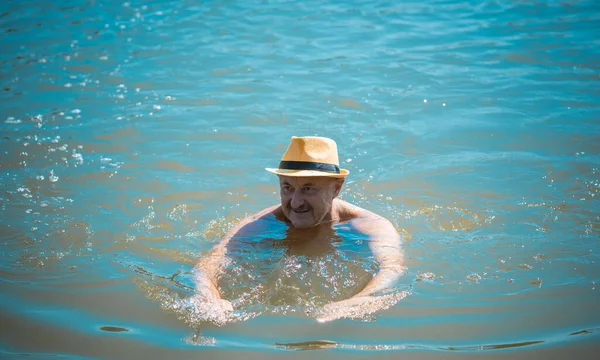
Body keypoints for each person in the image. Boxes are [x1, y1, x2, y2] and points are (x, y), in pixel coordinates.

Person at [194, 136, 406, 324]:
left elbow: (391, 268)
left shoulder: (370, 226)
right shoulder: (260, 224)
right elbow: (210, 262)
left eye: (308, 188)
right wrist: (209, 297)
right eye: (288, 188)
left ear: (337, 188)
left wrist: (358, 302)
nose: (296, 202)